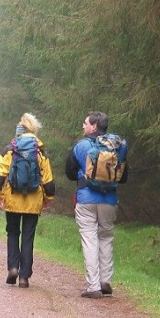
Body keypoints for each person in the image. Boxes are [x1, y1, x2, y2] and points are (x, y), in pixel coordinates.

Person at [65, 111, 129, 298]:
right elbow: (123, 177)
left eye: (85, 123)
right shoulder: (116, 147)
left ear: (94, 126)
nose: (83, 126)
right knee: (106, 238)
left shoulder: (80, 146)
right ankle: (105, 281)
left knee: (90, 239)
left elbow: (69, 173)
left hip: (86, 199)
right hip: (109, 199)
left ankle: (93, 286)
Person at [0, 113, 55, 288]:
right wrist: (48, 199)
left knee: (12, 233)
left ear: (19, 130)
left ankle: (13, 267)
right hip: (33, 200)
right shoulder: (40, 151)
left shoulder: (10, 149)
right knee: (28, 237)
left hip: (12, 199)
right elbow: (47, 179)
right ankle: (24, 277)